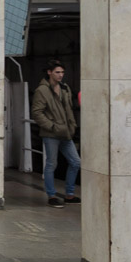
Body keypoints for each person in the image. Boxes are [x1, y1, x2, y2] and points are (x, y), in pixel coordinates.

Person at [31, 59, 80, 208]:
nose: (60, 75)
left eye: (62, 72)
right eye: (57, 72)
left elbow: (69, 110)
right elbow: (37, 113)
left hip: (65, 132)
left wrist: (72, 126)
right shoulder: (42, 90)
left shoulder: (65, 88)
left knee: (76, 162)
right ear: (49, 72)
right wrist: (51, 126)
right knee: (52, 163)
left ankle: (69, 194)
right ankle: (51, 195)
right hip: (51, 133)